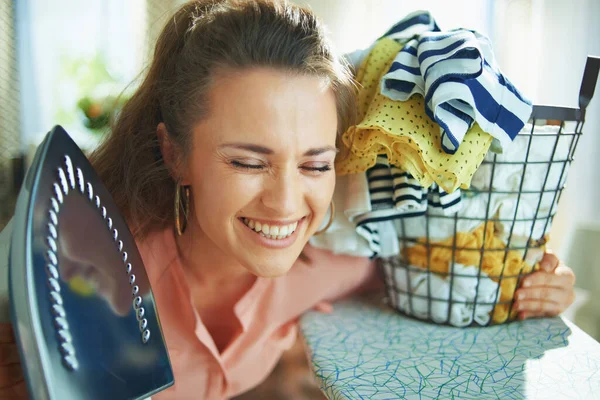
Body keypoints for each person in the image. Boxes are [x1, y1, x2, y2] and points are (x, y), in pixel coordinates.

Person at [0, 1, 576, 398]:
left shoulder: (335, 258)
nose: (286, 203)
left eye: (315, 164)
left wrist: (536, 282)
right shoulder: (83, 272)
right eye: (248, 162)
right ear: (174, 153)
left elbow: (444, 271)